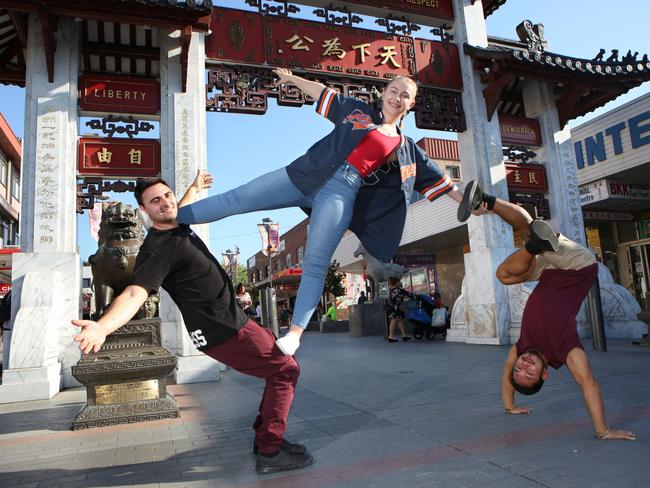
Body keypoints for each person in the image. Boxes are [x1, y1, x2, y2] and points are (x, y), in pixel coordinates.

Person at [176, 68, 484, 356]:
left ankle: (294, 335)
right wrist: (291, 78)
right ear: (384, 92)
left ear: (411, 103)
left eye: (404, 94)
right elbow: (323, 93)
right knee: (236, 198)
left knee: (316, 263)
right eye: (393, 90)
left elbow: (440, 180)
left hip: (341, 191)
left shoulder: (405, 146)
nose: (397, 97)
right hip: (303, 172)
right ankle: (173, 219)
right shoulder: (357, 110)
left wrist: (468, 202)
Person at [71, 172, 314, 473]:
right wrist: (102, 326)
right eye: (155, 201)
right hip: (224, 329)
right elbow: (135, 292)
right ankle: (270, 448)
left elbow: (176, 210)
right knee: (285, 370)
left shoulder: (176, 225)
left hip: (230, 323)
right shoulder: (157, 249)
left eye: (167, 195)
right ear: (144, 211)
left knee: (279, 370)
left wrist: (193, 189)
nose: (165, 203)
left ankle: (266, 439)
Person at [465, 181, 636, 441]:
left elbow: (505, 374)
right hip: (578, 266)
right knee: (531, 229)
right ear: (544, 373)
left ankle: (499, 213)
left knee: (504, 275)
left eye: (519, 370)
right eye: (530, 373)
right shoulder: (565, 350)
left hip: (550, 271)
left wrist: (509, 406)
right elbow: (588, 383)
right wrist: (603, 431)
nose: (523, 366)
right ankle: (534, 240)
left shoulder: (522, 347)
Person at [386, 277, 412, 343]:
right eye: (399, 281)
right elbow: (406, 294)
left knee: (399, 320)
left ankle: (404, 335)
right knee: (393, 321)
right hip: (395, 308)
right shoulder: (397, 290)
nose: (400, 282)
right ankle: (391, 336)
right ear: (396, 282)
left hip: (395, 307)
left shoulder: (391, 289)